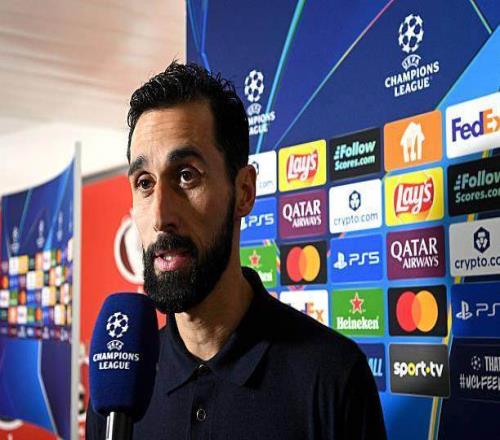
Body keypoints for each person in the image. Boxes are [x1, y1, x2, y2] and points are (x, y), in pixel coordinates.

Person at [86, 61, 386, 439]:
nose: (160, 216)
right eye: (145, 183)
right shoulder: (117, 396)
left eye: (186, 176)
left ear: (244, 191)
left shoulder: (333, 378)